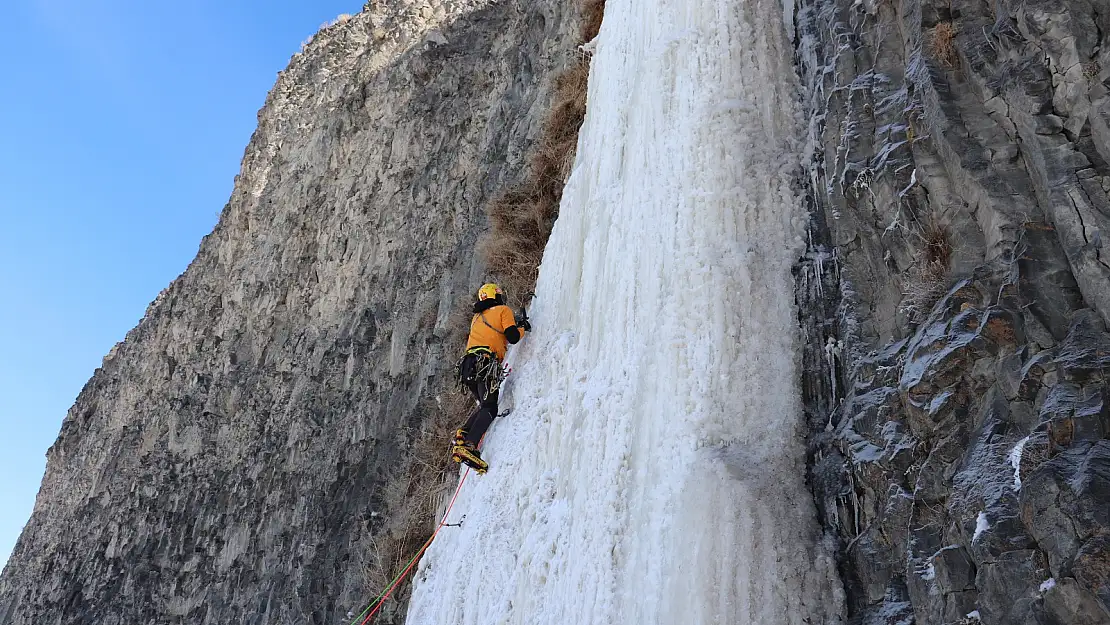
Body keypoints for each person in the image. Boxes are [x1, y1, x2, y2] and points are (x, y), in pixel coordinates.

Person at [451, 283, 530, 473]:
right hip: (484, 364)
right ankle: (469, 446)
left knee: (484, 403)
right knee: (490, 407)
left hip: (467, 366)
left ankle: (462, 434)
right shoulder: (503, 310)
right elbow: (511, 336)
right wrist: (522, 328)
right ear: (496, 295)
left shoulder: (477, 318)